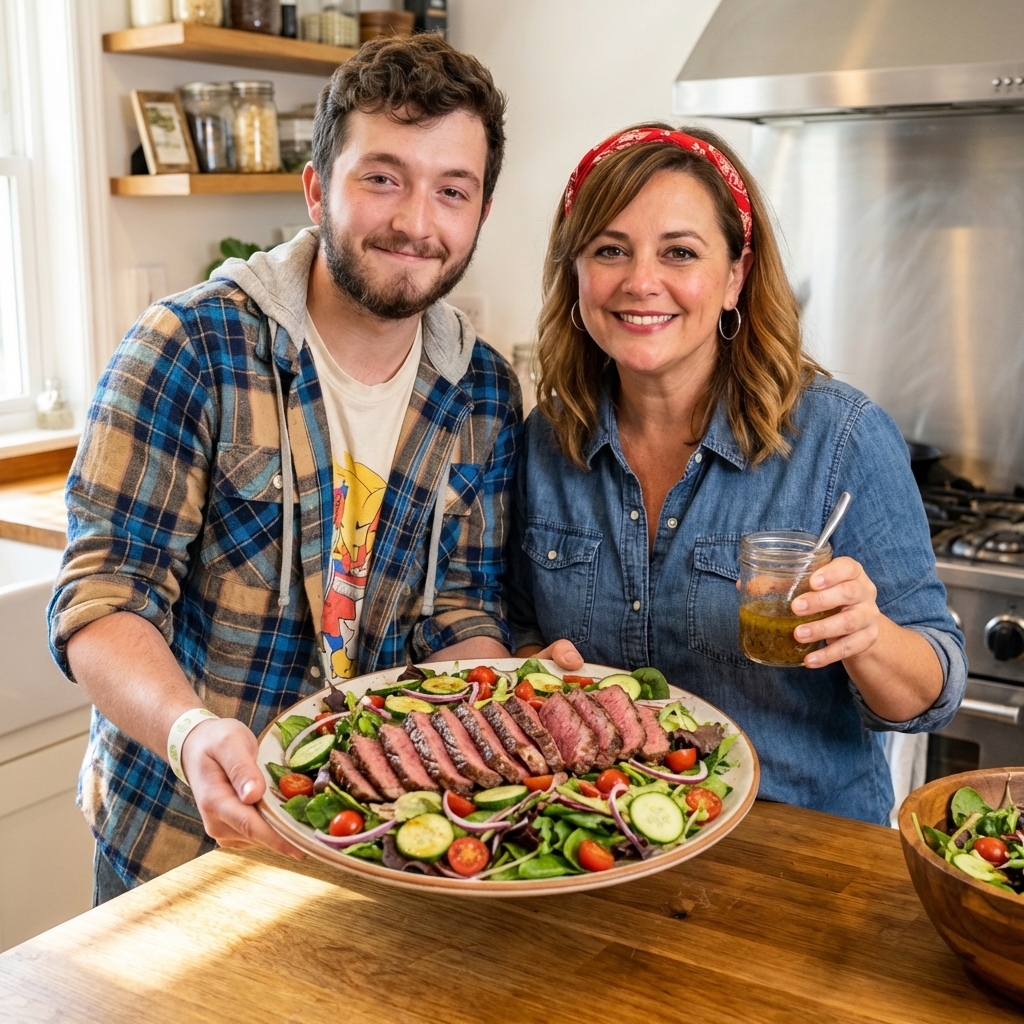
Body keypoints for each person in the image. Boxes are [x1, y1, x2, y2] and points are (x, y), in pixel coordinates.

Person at [48, 34, 521, 902]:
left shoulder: (482, 390)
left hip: (376, 843)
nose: (417, 222)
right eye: (382, 177)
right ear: (316, 189)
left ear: (479, 213)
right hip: (182, 847)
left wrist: (506, 704)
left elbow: (459, 610)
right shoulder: (189, 348)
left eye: (452, 191)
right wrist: (190, 732)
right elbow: (102, 602)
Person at [508, 123, 967, 825]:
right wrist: (538, 663)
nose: (640, 282)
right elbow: (515, 626)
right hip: (603, 846)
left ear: (735, 278)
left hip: (800, 861)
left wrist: (866, 636)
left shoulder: (840, 439)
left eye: (680, 252)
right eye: (610, 250)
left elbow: (931, 694)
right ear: (575, 274)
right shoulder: (544, 441)